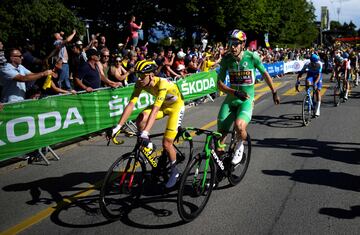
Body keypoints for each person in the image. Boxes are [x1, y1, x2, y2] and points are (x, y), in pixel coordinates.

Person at [111, 60, 185, 188]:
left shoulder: (162, 83)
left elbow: (155, 110)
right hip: (163, 106)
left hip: (175, 108)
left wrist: (145, 132)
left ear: (151, 75)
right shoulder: (140, 84)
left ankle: (175, 172)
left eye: (142, 76)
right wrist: (118, 126)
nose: (139, 79)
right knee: (141, 117)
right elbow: (131, 104)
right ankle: (148, 144)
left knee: (167, 143)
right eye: (138, 75)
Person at [217, 29, 280, 165]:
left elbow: (265, 74)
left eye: (236, 44)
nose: (232, 47)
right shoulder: (227, 59)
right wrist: (234, 92)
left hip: (246, 100)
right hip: (231, 99)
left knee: (240, 126)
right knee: (219, 137)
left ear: (243, 44)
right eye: (230, 43)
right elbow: (219, 85)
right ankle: (219, 168)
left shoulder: (252, 57)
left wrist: (274, 92)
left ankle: (240, 146)